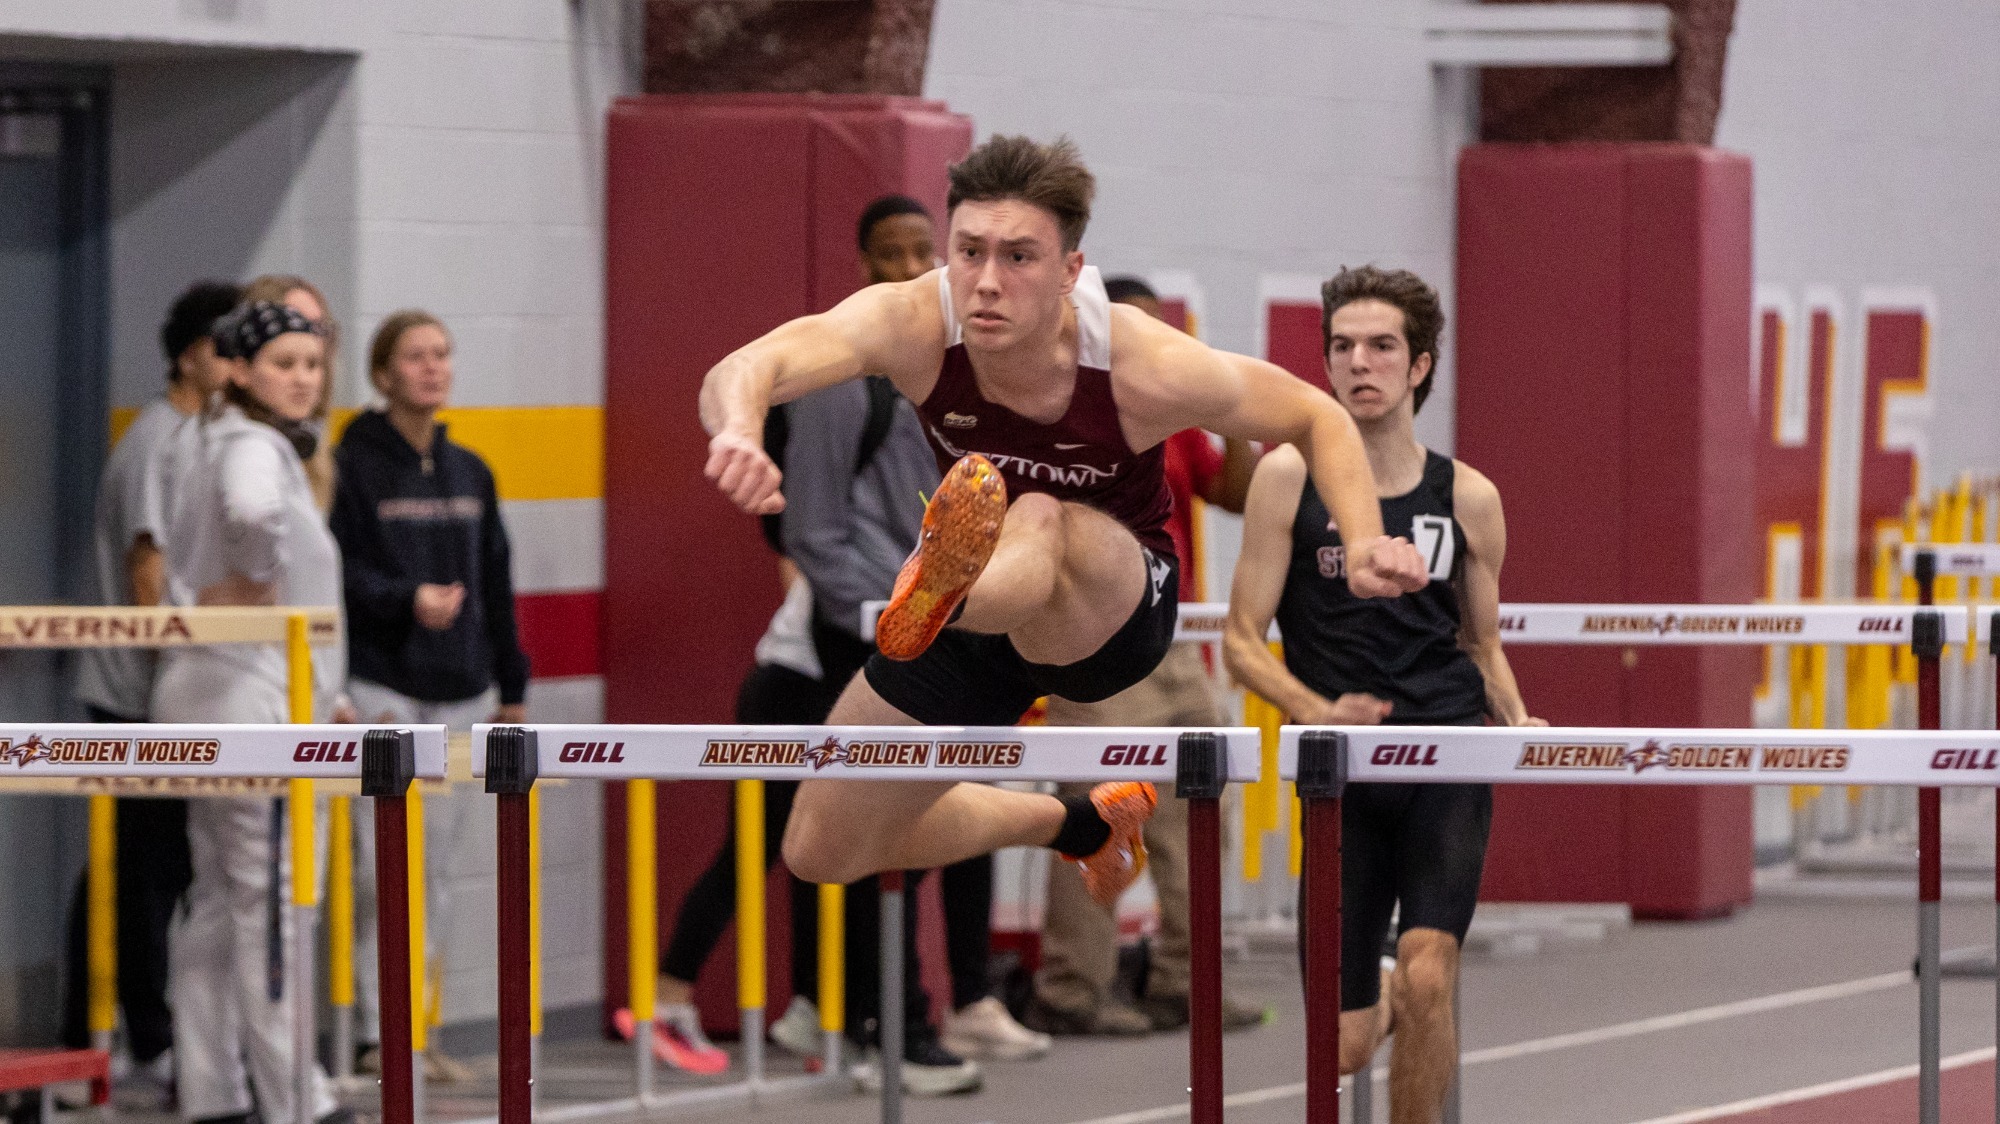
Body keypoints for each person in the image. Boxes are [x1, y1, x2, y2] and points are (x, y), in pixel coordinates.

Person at [699, 135, 1428, 910]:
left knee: (1037, 510)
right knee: (821, 847)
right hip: (980, 619)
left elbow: (1314, 414)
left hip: (1111, 605)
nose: (984, 283)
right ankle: (1077, 823)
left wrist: (1361, 540)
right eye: (969, 252)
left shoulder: (1138, 361)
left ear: (1070, 272)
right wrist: (740, 430)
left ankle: (949, 591)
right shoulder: (914, 321)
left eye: (1018, 258)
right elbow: (751, 365)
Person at [1222, 266, 1542, 1124]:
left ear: (1420, 365)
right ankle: (1390, 997)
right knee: (1345, 1045)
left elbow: (1482, 644)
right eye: (1342, 347)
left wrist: (1517, 719)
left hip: (1443, 757)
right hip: (1340, 777)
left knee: (1434, 976)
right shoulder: (1287, 479)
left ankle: (1418, 995)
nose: (1359, 363)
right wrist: (1314, 709)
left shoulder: (1469, 498)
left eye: (1381, 347)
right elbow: (1240, 642)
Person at [1029, 275, 1264, 1037]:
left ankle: (1183, 982)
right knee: (1100, 811)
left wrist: (1226, 415)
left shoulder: (1171, 417)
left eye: (1162, 331)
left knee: (1206, 802)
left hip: (1171, 645)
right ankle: (1072, 989)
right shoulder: (1063, 412)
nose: (1152, 345)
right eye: (1136, 329)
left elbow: (1234, 493)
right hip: (1091, 643)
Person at [152, 301, 349, 1124]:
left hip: (206, 688)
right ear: (238, 370)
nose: (302, 379)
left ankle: (211, 1094)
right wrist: (260, 583)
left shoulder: (202, 442)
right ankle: (293, 1103)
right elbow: (250, 516)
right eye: (284, 364)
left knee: (216, 906)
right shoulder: (252, 448)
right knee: (274, 909)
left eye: (312, 363)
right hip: (250, 698)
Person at [331, 310, 530, 1082]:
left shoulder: (469, 470)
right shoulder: (351, 464)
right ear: (384, 374)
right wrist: (403, 598)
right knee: (379, 868)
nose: (432, 368)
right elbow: (339, 573)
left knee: (438, 870)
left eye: (442, 355)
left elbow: (498, 584)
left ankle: (414, 1030)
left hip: (461, 689)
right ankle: (371, 1034)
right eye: (415, 356)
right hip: (382, 683)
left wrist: (512, 685)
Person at [61, 281, 239, 1092]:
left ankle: (126, 1030)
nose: (234, 365)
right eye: (222, 349)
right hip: (137, 689)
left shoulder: (195, 435)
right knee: (140, 871)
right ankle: (134, 1035)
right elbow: (147, 569)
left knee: (146, 867)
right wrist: (185, 671)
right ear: (188, 355)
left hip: (162, 687)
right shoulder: (159, 442)